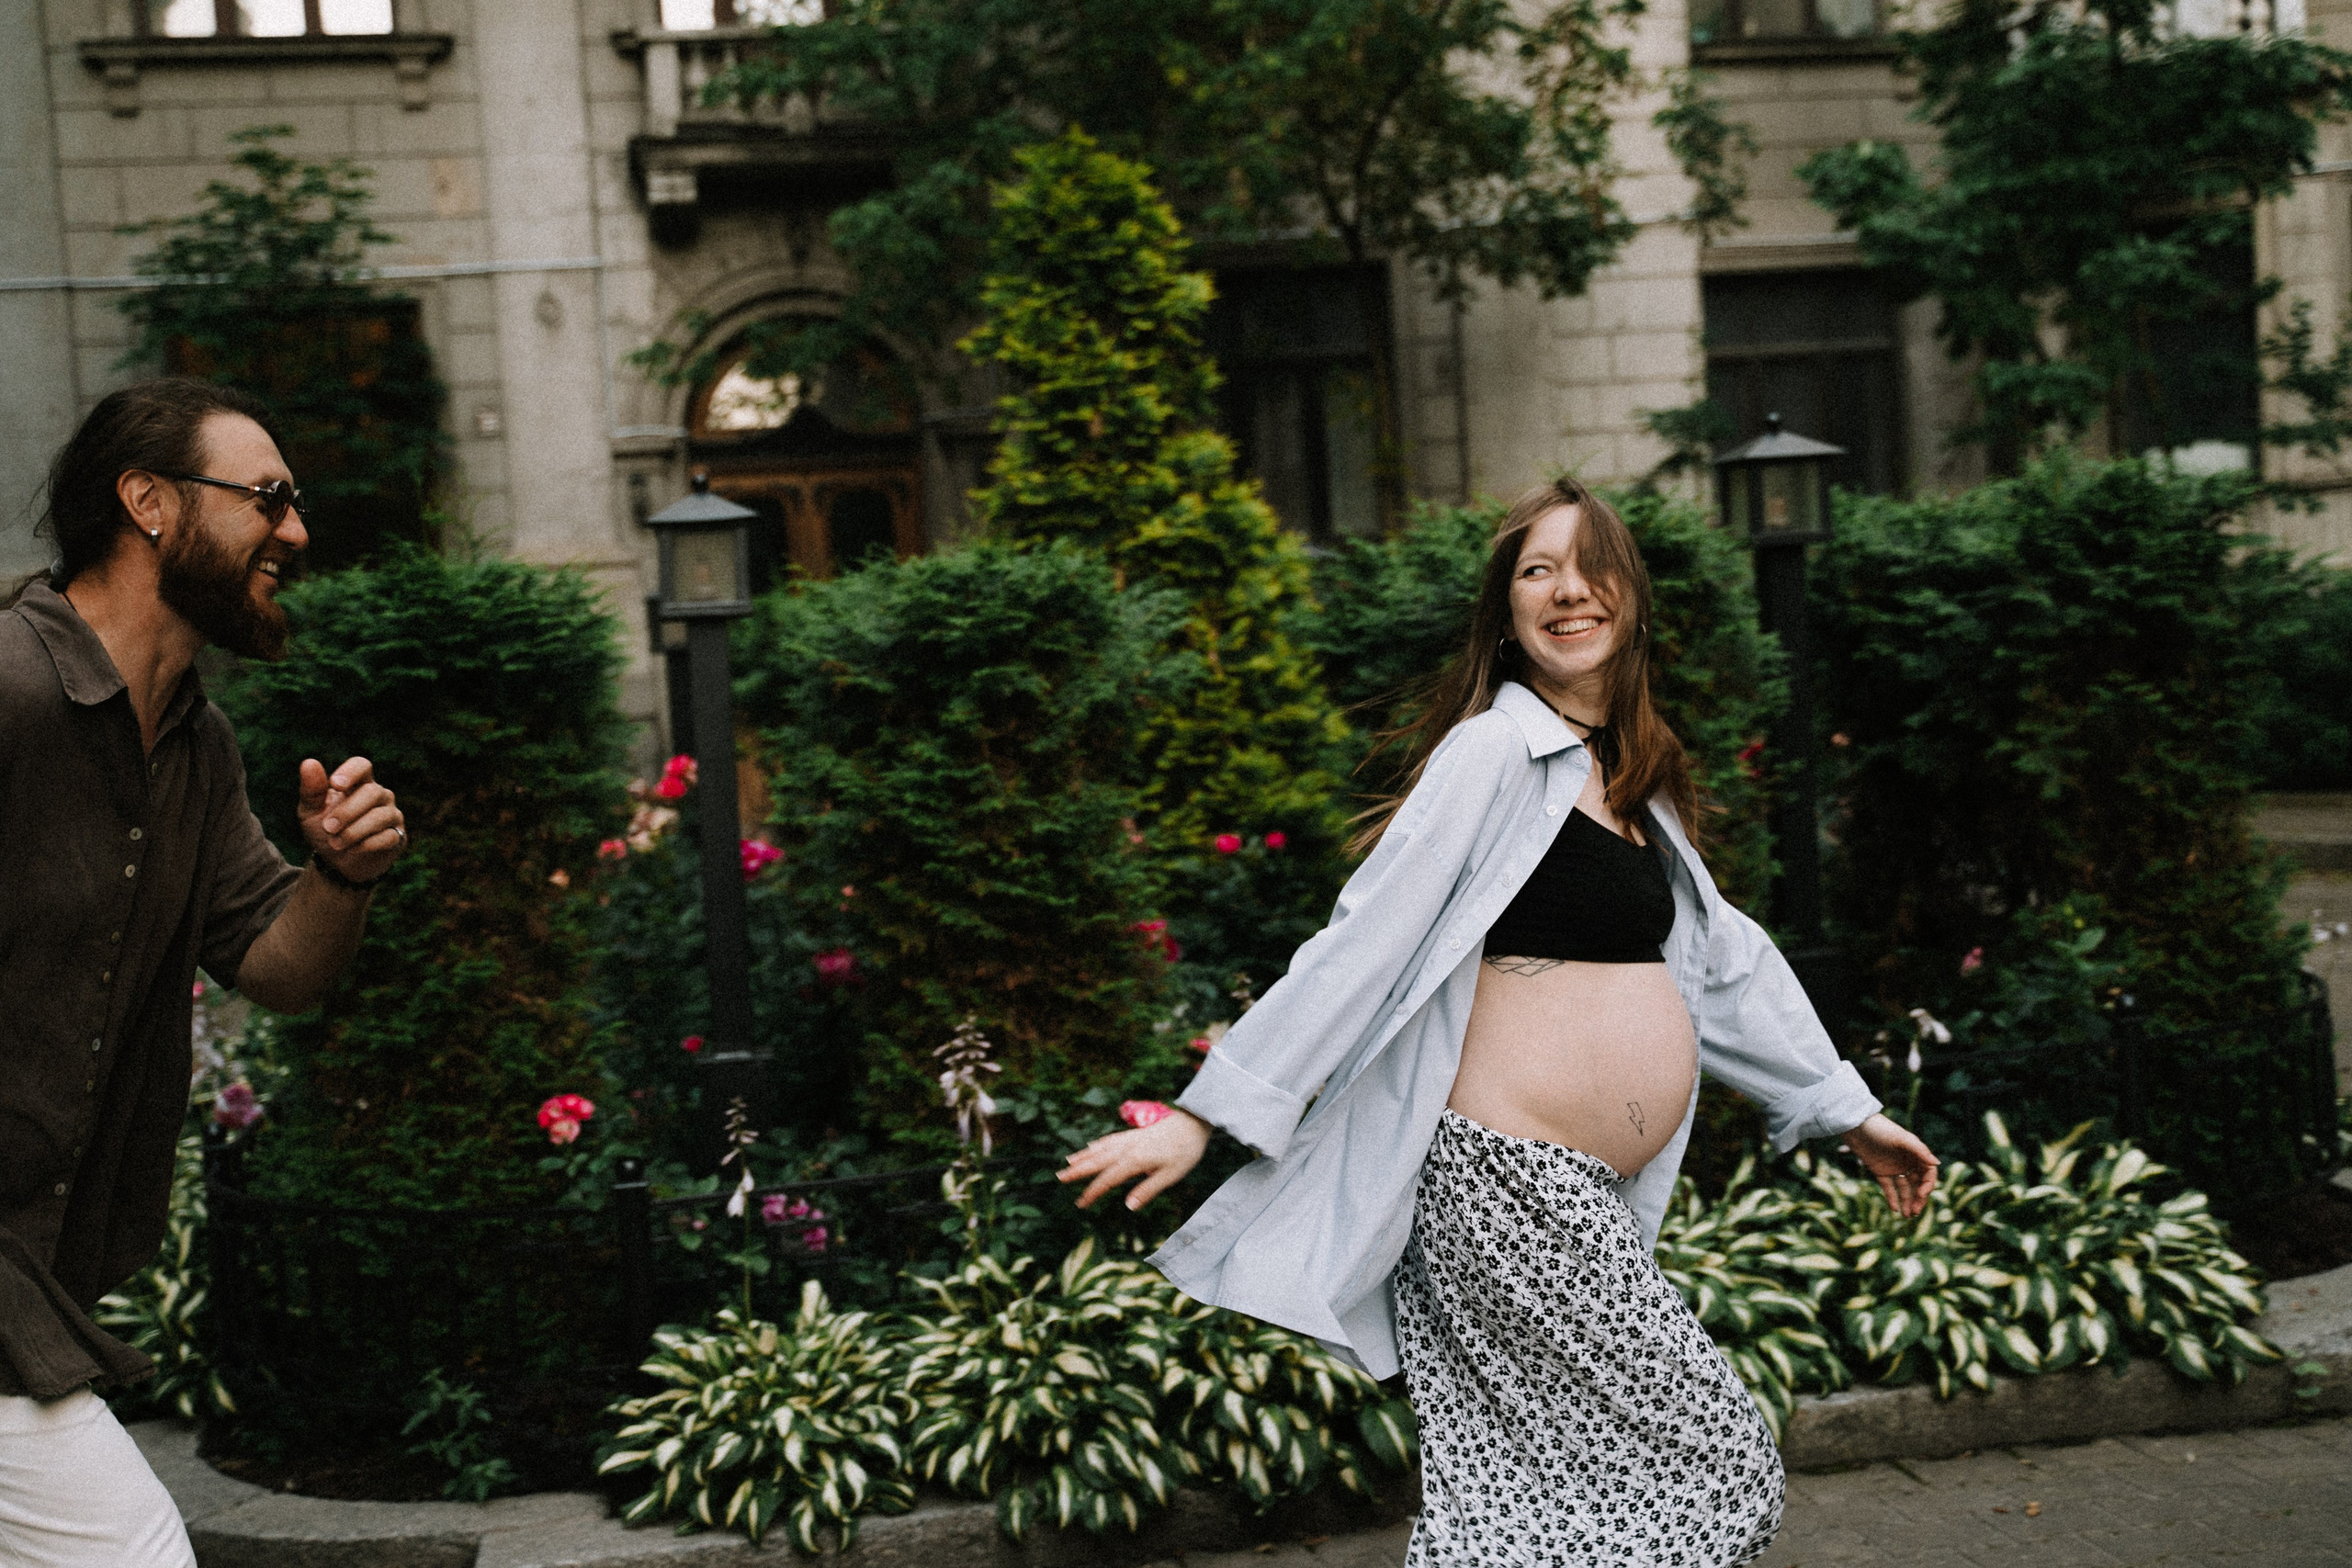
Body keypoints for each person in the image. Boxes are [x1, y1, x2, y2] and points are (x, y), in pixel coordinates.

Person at [1060, 479, 1939, 1566]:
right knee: (1713, 1468)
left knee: (1529, 1495)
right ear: (1507, 612)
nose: (1566, 590)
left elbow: (1722, 965)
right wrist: (1209, 1118)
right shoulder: (1491, 756)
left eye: (1589, 566)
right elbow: (1361, 941)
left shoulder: (1628, 780)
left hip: (1562, 1189)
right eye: (1536, 572)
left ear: (1630, 598)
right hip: (1500, 1180)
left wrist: (1844, 1110)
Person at [0, 378, 408, 1567]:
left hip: (39, 1271)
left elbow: (277, 967)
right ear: (148, 502)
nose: (296, 531)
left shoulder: (197, 740)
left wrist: (340, 873)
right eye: (268, 497)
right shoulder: (11, 690)